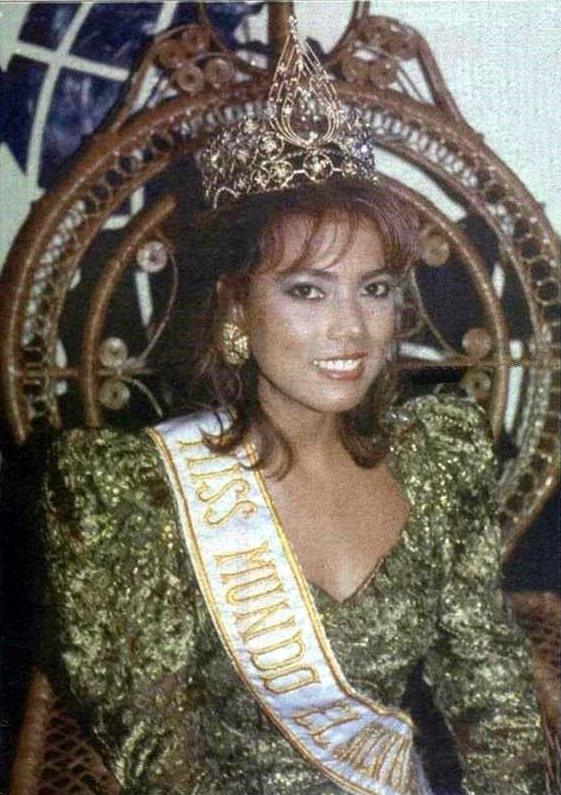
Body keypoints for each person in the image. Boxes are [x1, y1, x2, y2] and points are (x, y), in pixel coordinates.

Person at [39, 20, 543, 795]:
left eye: (373, 289)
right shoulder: (137, 493)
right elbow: (157, 761)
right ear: (235, 307)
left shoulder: (433, 457)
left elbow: (492, 695)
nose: (351, 329)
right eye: (307, 290)